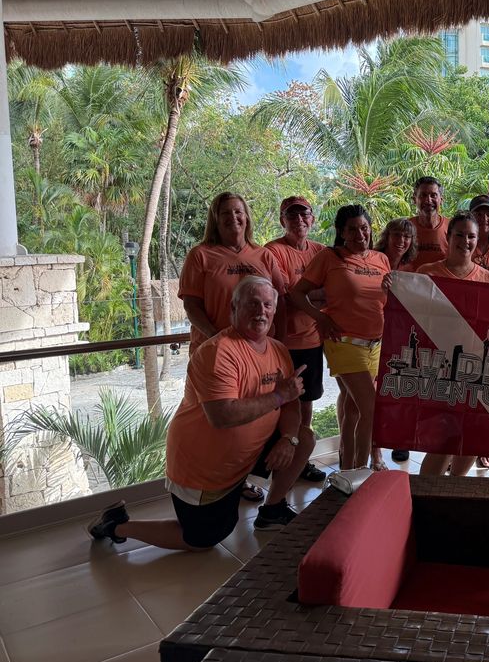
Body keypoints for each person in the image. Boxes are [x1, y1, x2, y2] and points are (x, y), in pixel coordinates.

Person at [87, 277, 314, 549]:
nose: (261, 311)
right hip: (204, 469)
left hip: (248, 455)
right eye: (252, 304)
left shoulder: (278, 350)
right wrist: (279, 395)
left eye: (267, 305)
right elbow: (222, 415)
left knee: (303, 438)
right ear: (234, 308)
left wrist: (288, 438)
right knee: (203, 539)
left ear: (275, 310)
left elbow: (290, 404)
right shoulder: (219, 352)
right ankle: (117, 524)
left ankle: (272, 511)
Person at [179, 191, 288, 503]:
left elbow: (280, 299)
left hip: (259, 355)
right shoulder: (201, 255)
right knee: (219, 420)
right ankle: (215, 484)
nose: (233, 218)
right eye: (225, 213)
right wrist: (220, 339)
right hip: (215, 354)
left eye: (239, 211)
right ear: (215, 219)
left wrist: (278, 342)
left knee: (254, 415)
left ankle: (243, 479)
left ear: (247, 217)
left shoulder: (263, 255)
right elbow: (191, 305)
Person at [290, 205, 391, 470]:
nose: (360, 234)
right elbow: (297, 293)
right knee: (371, 409)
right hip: (343, 342)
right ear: (342, 232)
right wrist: (320, 317)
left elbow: (383, 303)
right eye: (352, 229)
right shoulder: (330, 257)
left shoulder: (381, 259)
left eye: (364, 228)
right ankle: (360, 474)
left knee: (353, 409)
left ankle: (346, 470)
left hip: (376, 345)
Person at [415, 212, 489, 477]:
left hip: (477, 368)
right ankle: (425, 493)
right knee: (444, 439)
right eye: (460, 235)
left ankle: (455, 485)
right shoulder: (427, 273)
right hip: (440, 368)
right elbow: (409, 316)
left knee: (472, 436)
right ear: (448, 237)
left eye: (471, 236)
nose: (466, 241)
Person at [265, 196, 328, 484]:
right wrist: (312, 295)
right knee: (280, 403)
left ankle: (301, 460)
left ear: (312, 219)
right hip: (283, 342)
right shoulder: (273, 251)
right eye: (292, 215)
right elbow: (286, 295)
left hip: (313, 339)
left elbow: (330, 291)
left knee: (307, 401)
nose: (299, 220)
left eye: (304, 215)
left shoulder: (320, 251)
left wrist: (303, 295)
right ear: (283, 220)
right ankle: (276, 462)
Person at [375, 217, 418, 465]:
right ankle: (372, 449)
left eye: (407, 236)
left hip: (399, 335)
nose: (401, 241)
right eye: (397, 235)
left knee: (399, 388)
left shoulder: (411, 269)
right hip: (370, 333)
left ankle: (399, 439)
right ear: (387, 236)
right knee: (368, 394)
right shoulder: (372, 260)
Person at [409, 176, 449, 269]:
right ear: (414, 200)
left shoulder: (452, 228)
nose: (428, 200)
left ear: (441, 200)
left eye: (433, 195)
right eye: (423, 195)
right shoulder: (406, 228)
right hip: (410, 278)